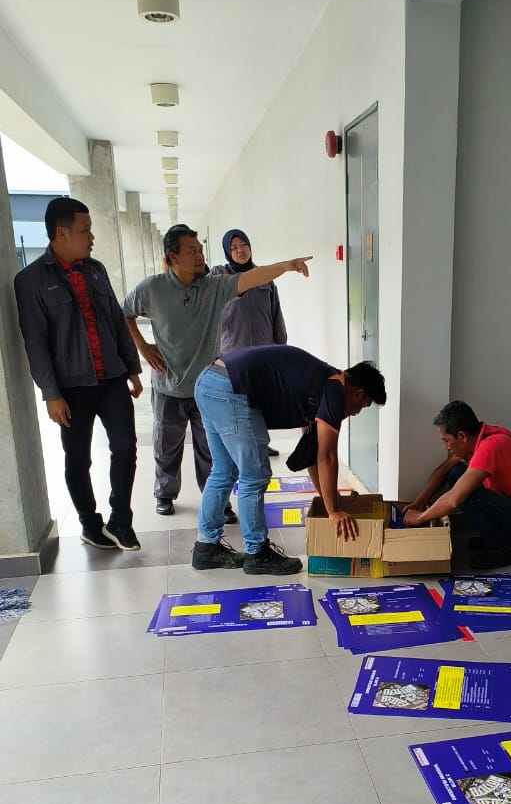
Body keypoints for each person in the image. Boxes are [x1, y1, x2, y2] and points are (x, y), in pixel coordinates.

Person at [123, 224, 310, 519]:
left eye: (200, 249)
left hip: (207, 387)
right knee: (166, 445)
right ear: (172, 257)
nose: (200, 255)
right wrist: (143, 347)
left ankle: (218, 500)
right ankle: (165, 493)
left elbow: (251, 277)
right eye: (192, 251)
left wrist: (286, 266)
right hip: (169, 385)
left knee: (212, 450)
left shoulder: (214, 286)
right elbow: (123, 313)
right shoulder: (152, 288)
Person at [14, 196, 143, 551]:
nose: (91, 237)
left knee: (125, 446)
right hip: (71, 387)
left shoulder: (96, 269)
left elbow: (116, 321)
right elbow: (35, 342)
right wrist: (51, 393)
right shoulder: (30, 281)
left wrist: (132, 367)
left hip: (111, 377)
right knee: (78, 458)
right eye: (85, 230)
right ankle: (90, 523)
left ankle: (121, 520)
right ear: (62, 233)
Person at [192, 346, 386, 573]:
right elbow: (327, 456)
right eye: (362, 406)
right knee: (254, 476)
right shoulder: (335, 391)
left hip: (209, 381)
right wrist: (333, 511)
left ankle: (205, 548)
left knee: (224, 471)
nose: (356, 413)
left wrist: (328, 502)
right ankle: (257, 554)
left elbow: (312, 454)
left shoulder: (322, 383)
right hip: (232, 388)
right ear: (358, 394)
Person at [403, 400, 511, 568]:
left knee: (466, 489)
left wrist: (420, 518)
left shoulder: (490, 446)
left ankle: (504, 549)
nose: (446, 447)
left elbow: (454, 499)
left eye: (447, 441)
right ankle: (499, 539)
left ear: (462, 436)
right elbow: (445, 469)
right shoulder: (480, 438)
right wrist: (419, 503)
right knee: (456, 473)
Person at [210, 229, 287, 456]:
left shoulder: (264, 276)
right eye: (233, 248)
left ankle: (261, 443)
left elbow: (276, 314)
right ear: (227, 252)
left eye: (243, 245)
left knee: (260, 400)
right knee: (236, 401)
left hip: (263, 351)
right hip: (232, 352)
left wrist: (280, 347)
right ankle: (238, 447)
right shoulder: (219, 276)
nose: (240, 250)